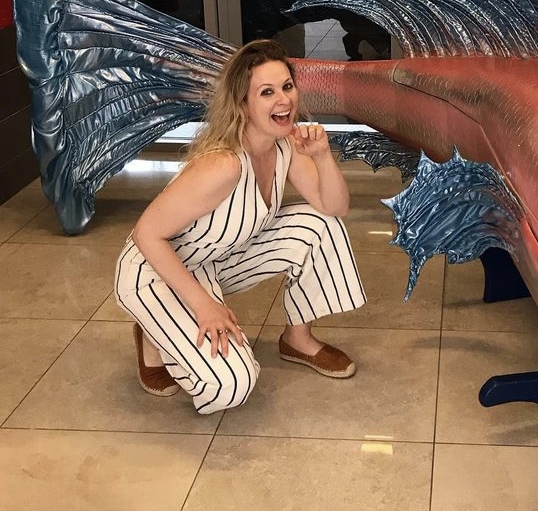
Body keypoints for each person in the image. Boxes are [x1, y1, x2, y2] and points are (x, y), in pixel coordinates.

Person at [114, 39, 366, 414]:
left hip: (213, 262)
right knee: (233, 385)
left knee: (320, 223)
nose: (283, 100)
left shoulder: (285, 147)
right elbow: (146, 234)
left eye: (286, 86)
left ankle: (297, 338)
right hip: (154, 270)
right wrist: (204, 306)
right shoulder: (224, 164)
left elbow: (335, 207)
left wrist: (323, 156)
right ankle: (154, 334)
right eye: (266, 92)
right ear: (243, 103)